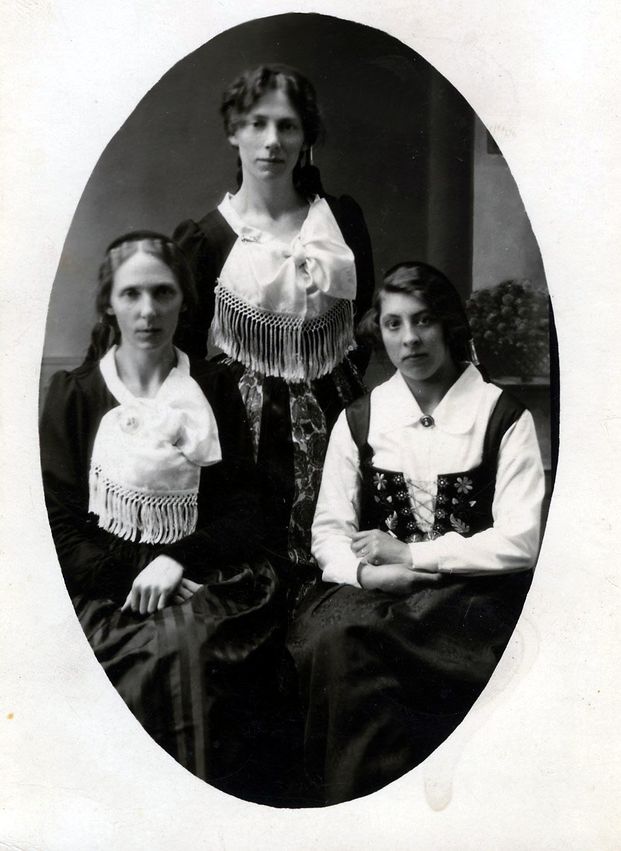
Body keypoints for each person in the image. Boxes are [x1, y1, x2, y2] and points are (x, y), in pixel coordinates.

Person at [287, 261, 546, 805]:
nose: (410, 338)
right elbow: (328, 533)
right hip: (379, 592)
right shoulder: (361, 418)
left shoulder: (503, 417)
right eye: (394, 324)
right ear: (379, 332)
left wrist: (412, 554)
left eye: (424, 320)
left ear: (448, 325)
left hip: (474, 597)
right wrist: (368, 575)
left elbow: (520, 542)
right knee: (338, 641)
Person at [40, 231, 282, 799]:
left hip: (203, 574)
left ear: (184, 301)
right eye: (131, 294)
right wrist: (137, 571)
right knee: (137, 660)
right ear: (109, 303)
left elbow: (245, 511)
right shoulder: (74, 394)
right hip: (103, 584)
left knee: (193, 650)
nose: (147, 311)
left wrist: (177, 559)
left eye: (162, 293)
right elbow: (57, 526)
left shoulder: (213, 388)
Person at [173, 64, 375, 596]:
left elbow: (361, 327)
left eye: (287, 126)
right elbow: (183, 358)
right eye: (257, 124)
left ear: (307, 136)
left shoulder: (340, 222)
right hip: (240, 434)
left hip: (338, 423)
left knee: (340, 571)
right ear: (233, 132)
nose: (272, 141)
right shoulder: (205, 238)